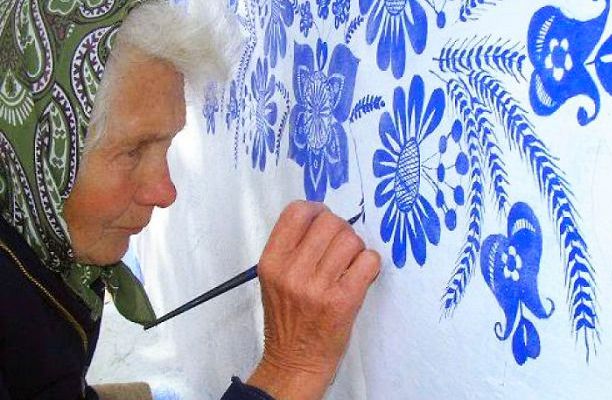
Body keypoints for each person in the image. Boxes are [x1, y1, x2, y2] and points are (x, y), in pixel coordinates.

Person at [0, 1, 380, 399]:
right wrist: (291, 369)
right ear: (38, 148)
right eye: (133, 151)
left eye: (165, 146)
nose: (165, 193)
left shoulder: (43, 249)